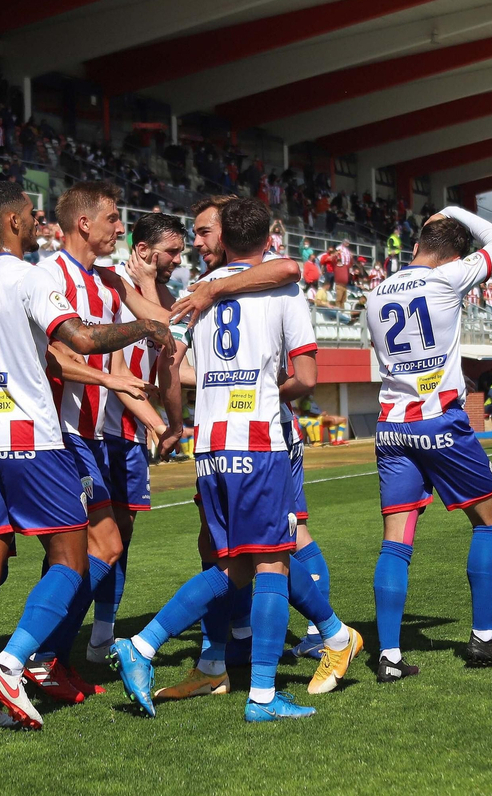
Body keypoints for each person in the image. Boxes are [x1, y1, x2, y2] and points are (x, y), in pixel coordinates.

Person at [112, 197, 360, 723]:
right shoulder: (283, 288)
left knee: (230, 562)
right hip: (259, 439)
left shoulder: (197, 295)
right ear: (268, 238)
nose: (198, 243)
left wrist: (175, 421)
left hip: (210, 444)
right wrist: (269, 391)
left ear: (223, 238)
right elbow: (308, 377)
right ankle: (265, 693)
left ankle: (150, 645)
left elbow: (168, 357)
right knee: (271, 557)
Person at [0, 180, 166, 734]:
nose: (38, 220)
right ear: (12, 222)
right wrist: (146, 326)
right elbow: (80, 341)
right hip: (30, 438)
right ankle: (12, 666)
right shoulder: (31, 277)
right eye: (31, 214)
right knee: (72, 557)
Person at [363, 202, 492, 680]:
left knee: (396, 540)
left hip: (391, 427)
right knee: (488, 520)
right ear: (454, 256)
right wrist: (455, 209)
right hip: (438, 421)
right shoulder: (449, 277)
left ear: (416, 247)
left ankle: (389, 657)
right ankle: (482, 638)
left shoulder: (376, 292)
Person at [88, 213, 189, 662]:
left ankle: (100, 638)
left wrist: (169, 422)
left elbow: (169, 350)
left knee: (121, 539)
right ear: (144, 252)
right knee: (91, 542)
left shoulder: (156, 295)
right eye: (171, 252)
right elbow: (121, 373)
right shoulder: (113, 289)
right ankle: (56, 639)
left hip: (129, 438)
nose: (178, 260)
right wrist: (156, 423)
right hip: (104, 432)